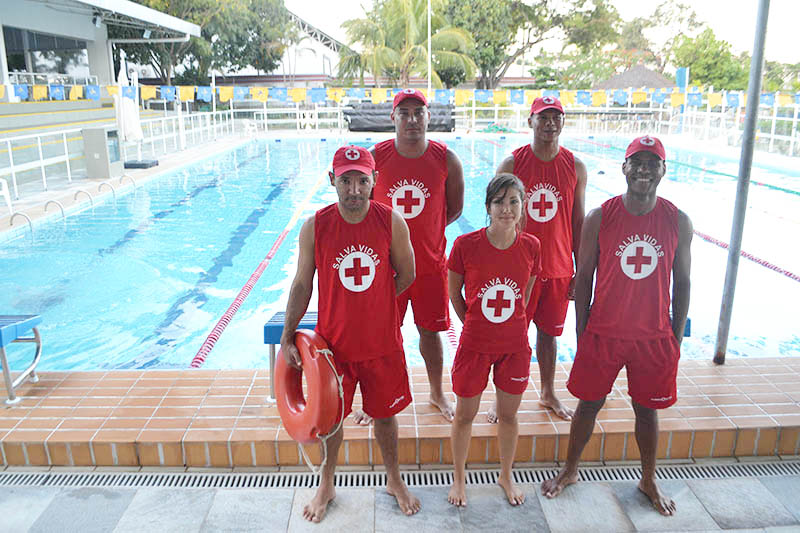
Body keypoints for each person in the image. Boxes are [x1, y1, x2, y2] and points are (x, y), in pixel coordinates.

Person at [541, 135, 692, 517]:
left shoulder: (677, 220)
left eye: (651, 162)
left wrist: (674, 337)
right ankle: (570, 470)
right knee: (587, 405)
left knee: (647, 412)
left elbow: (684, 281)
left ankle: (648, 478)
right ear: (624, 167)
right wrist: (582, 330)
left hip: (652, 337)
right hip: (604, 333)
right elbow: (584, 278)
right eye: (636, 162)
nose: (644, 169)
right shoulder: (600, 217)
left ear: (663, 169)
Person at [280, 145, 420, 522]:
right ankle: (326, 483)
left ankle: (394, 479)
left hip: (381, 345)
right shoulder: (316, 226)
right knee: (332, 420)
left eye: (362, 180)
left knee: (386, 419)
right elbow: (301, 285)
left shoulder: (391, 222)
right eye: (346, 180)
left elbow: (408, 274)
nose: (354, 189)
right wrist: (288, 335)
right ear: (332, 181)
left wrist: (375, 303)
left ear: (374, 181)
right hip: (333, 347)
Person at [363, 88, 464, 423]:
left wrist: (425, 235)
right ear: (392, 118)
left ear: (428, 117)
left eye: (418, 113)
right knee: (379, 333)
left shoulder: (445, 158)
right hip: (386, 267)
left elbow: (454, 209)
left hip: (430, 266)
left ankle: (436, 392)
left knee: (430, 332)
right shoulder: (375, 158)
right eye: (403, 113)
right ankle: (376, 396)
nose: (411, 120)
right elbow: (362, 209)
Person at [447, 173, 541, 508]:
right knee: (464, 415)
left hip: (514, 347)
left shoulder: (531, 246)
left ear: (523, 205)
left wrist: (507, 326)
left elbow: (524, 297)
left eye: (513, 201)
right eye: (499, 202)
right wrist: (472, 323)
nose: (506, 209)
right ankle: (459, 478)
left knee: (509, 416)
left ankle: (505, 474)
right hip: (475, 345)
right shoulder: (465, 246)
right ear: (487, 206)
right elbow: (454, 293)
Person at [493, 95, 587, 422]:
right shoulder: (512, 164)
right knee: (509, 335)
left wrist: (581, 268)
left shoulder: (575, 166)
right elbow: (494, 217)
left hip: (559, 268)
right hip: (519, 270)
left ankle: (547, 392)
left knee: (549, 335)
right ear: (530, 122)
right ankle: (501, 398)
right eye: (542, 118)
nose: (549, 124)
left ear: (563, 122)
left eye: (555, 117)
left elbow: (579, 221)